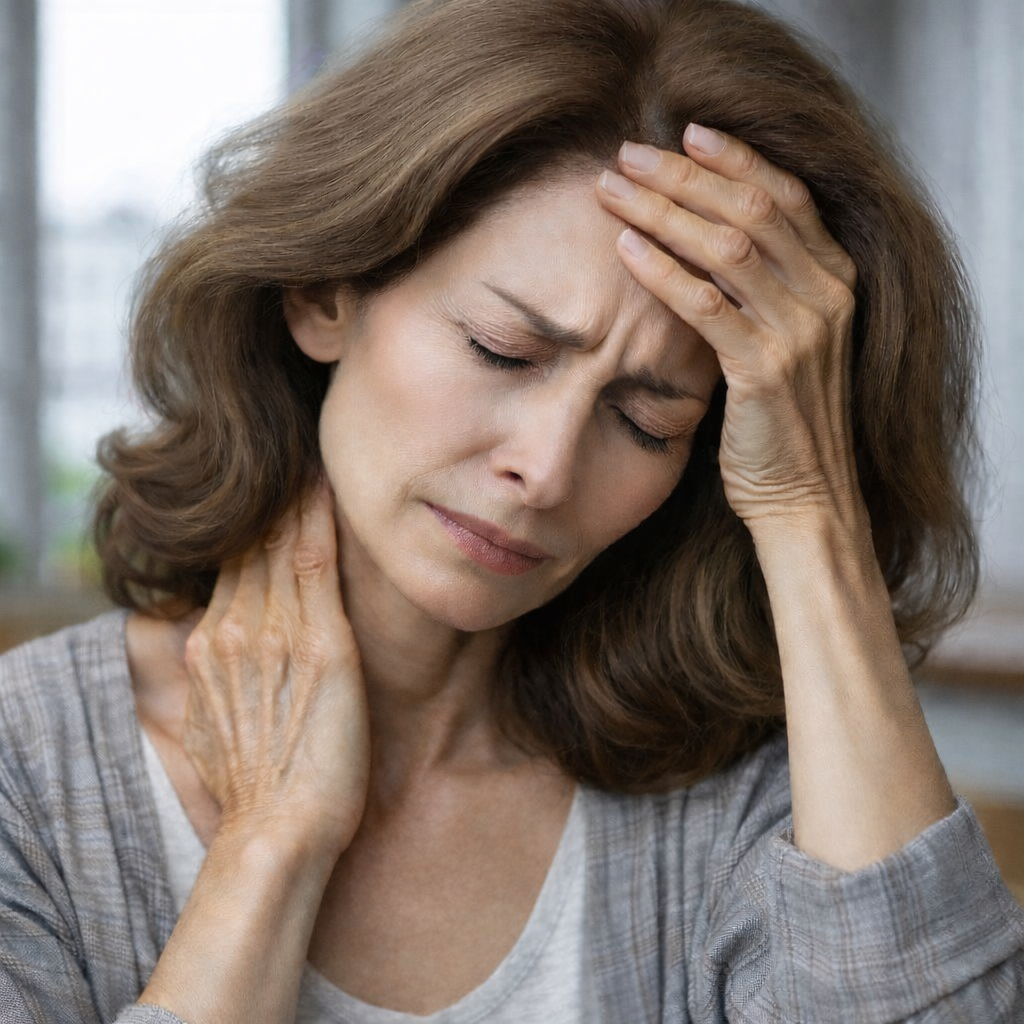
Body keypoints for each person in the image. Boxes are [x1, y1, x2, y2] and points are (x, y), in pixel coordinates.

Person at [2, 0, 1022, 1020]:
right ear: (325, 292)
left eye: (645, 422)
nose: (544, 468)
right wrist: (268, 849)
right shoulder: (28, 769)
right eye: (501, 349)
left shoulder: (743, 807)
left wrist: (806, 506)